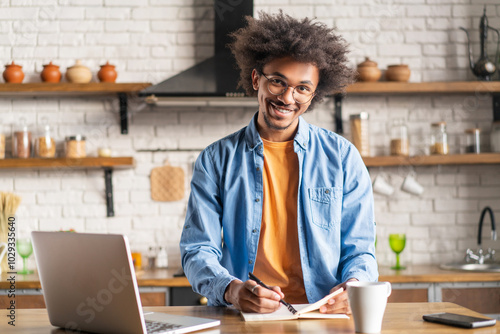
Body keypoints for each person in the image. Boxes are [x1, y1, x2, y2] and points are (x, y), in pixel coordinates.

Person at [179, 11, 378, 314]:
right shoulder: (215, 160)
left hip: (323, 315)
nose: (288, 97)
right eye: (277, 82)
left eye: (302, 88)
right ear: (257, 79)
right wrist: (232, 290)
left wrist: (355, 284)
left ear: (314, 94)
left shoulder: (343, 157)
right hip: (246, 316)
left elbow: (361, 251)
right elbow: (197, 250)